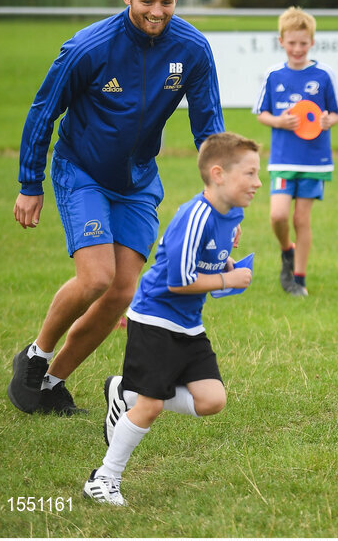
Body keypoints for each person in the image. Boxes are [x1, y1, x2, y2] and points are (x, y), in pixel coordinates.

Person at [9, 0, 225, 416]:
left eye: (167, 2)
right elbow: (43, 113)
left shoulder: (192, 49)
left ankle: (49, 383)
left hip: (139, 180)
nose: (157, 12)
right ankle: (35, 356)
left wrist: (221, 202)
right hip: (81, 170)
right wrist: (30, 183)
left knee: (122, 292)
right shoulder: (88, 47)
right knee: (97, 277)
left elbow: (210, 130)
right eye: (147, 1)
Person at [83, 132, 260, 506]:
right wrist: (229, 278)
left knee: (212, 400)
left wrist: (226, 261)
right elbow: (179, 281)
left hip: (189, 325)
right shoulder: (193, 215)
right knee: (151, 406)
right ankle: (103, 479)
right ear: (218, 174)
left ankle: (125, 391)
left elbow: (209, 255)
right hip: (155, 320)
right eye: (250, 174)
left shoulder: (234, 214)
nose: (258, 182)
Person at [254, 6, 338, 297]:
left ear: (312, 43)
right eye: (291, 43)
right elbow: (261, 113)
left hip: (314, 160)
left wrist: (329, 120)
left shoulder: (323, 74)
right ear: (282, 42)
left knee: (301, 219)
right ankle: (286, 251)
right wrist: (279, 121)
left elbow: (334, 112)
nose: (297, 49)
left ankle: (299, 279)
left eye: (303, 43)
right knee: (278, 216)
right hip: (282, 158)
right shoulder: (273, 75)